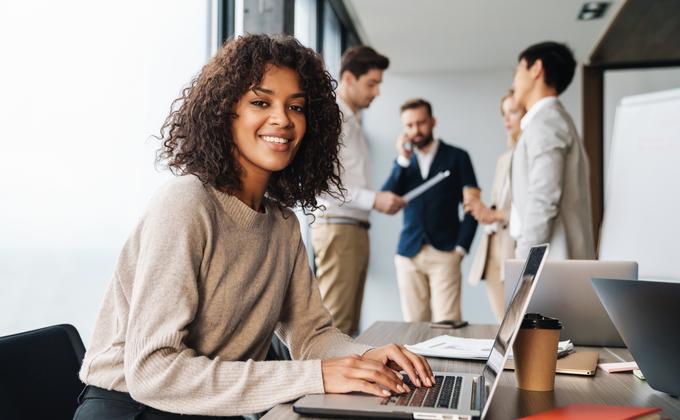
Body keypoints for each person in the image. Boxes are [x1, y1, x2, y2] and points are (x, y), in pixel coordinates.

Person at [74, 34, 433, 420]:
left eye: (296, 107)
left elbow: (312, 334)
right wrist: (314, 376)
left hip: (213, 408)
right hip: (134, 408)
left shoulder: (282, 224)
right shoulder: (186, 202)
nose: (282, 118)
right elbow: (153, 372)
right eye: (261, 102)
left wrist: (364, 359)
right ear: (225, 112)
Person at [312, 45, 405, 337]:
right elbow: (323, 184)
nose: (377, 92)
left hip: (352, 228)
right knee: (336, 326)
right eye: (372, 83)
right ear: (349, 79)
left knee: (347, 326)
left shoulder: (352, 120)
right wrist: (374, 199)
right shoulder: (335, 118)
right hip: (340, 228)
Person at [382, 98, 478, 323]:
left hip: (445, 252)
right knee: (414, 326)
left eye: (421, 123)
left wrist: (461, 248)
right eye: (409, 125)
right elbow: (385, 200)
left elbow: (473, 206)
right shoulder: (403, 163)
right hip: (408, 253)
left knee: (447, 324)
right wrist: (402, 161)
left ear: (433, 122)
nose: (416, 130)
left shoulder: (457, 157)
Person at [509, 41, 595, 260]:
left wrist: (522, 258)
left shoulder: (546, 122)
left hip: (551, 262)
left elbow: (544, 198)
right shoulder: (553, 120)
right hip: (555, 260)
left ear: (536, 69)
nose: (514, 80)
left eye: (518, 70)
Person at [465, 91, 526, 322]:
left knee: (517, 325)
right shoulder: (504, 159)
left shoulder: (529, 156)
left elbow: (531, 209)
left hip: (514, 249)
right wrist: (482, 211)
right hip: (492, 251)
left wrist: (494, 214)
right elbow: (498, 206)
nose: (506, 119)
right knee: (503, 324)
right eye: (504, 113)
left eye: (513, 111)